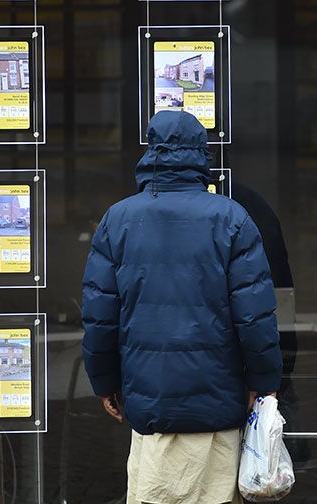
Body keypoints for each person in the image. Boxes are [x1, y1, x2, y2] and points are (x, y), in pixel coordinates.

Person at [81, 110, 283, 504]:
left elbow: (99, 317)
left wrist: (105, 383)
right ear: (202, 155)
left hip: (150, 406)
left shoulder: (117, 221)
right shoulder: (231, 219)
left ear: (150, 151)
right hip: (219, 404)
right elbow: (255, 318)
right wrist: (264, 383)